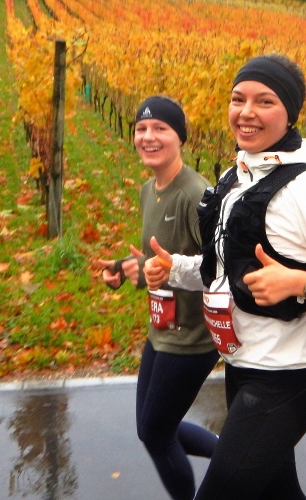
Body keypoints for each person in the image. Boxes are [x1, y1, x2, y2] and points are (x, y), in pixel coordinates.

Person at [143, 54, 306, 499]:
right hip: (240, 367)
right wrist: (175, 268)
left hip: (286, 380)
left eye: (265, 101)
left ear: (289, 113)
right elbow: (225, 272)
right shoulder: (235, 176)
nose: (246, 112)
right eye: (237, 99)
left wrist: (304, 284)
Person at [97, 95, 220, 500]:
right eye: (141, 129)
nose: (148, 136)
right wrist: (127, 270)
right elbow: (160, 259)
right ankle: (236, 455)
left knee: (155, 432)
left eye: (160, 128)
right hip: (163, 328)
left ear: (180, 137)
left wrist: (161, 269)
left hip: (193, 338)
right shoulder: (148, 191)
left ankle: (232, 465)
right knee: (150, 428)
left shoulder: (196, 195)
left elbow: (220, 269)